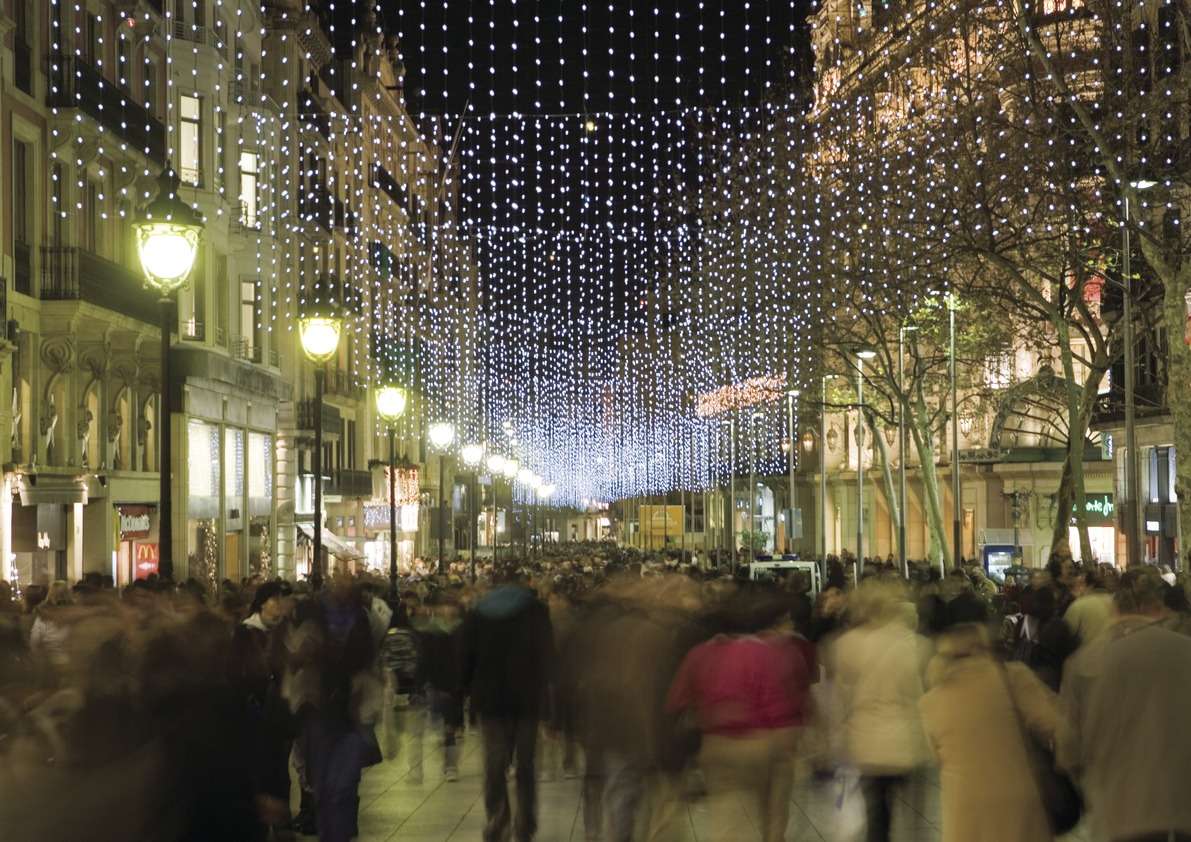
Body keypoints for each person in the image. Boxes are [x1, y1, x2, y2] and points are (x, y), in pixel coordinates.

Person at [666, 590, 812, 842]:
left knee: (727, 818)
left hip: (716, 745)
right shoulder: (765, 653)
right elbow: (780, 704)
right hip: (760, 742)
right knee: (772, 809)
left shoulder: (699, 653)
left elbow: (676, 701)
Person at [1059, 567, 1191, 842]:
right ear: (1157, 609)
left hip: (1122, 807)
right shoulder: (1183, 650)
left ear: (1114, 611)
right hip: (1181, 799)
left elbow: (1070, 747)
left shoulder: (1084, 662)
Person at [918, 601, 1061, 842]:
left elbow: (935, 755)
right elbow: (1053, 725)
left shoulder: (930, 700)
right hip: (1016, 802)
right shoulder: (1012, 677)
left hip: (963, 809)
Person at [830, 580, 929, 842]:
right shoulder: (914, 644)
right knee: (911, 814)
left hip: (866, 740)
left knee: (876, 813)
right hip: (905, 739)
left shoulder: (848, 644)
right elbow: (919, 694)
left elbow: (842, 696)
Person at [461, 569, 555, 842]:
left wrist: (466, 693)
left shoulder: (478, 612)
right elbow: (548, 657)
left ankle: (497, 815)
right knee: (525, 764)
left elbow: (465, 657)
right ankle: (526, 821)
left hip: (490, 700)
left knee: (494, 761)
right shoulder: (537, 611)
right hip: (527, 698)